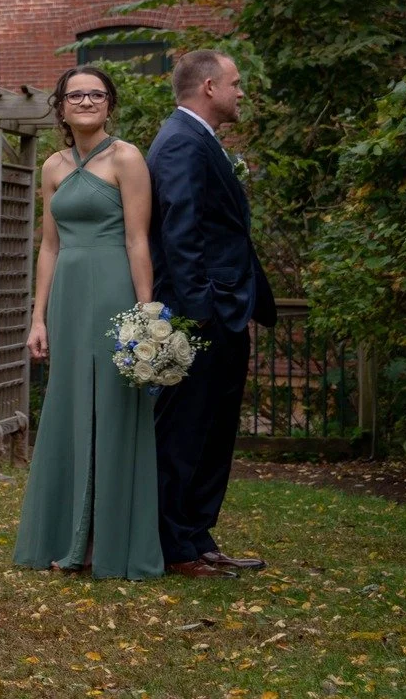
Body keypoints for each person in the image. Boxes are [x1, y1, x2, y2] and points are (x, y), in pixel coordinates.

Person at [13, 66, 164, 579]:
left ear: (110, 104)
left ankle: (110, 542)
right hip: (68, 297)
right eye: (75, 95)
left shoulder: (126, 157)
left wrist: (146, 315)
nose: (85, 101)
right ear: (61, 106)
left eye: (96, 94)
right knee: (70, 406)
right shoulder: (52, 166)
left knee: (115, 409)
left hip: (114, 290)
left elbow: (138, 240)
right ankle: (66, 535)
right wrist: (38, 316)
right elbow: (49, 246)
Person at [147, 49, 276, 578]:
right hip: (203, 313)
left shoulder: (199, 139)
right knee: (187, 431)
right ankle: (174, 545)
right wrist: (202, 310)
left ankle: (199, 537)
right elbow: (179, 229)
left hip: (224, 308)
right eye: (235, 82)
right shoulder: (181, 141)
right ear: (208, 87)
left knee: (215, 430)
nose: (241, 92)